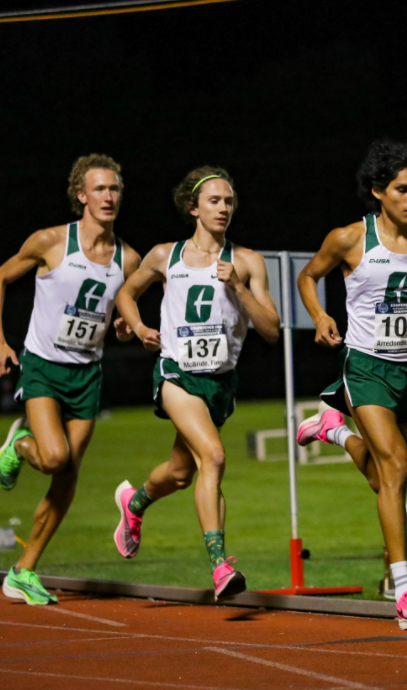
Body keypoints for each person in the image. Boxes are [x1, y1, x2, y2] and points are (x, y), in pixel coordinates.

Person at [294, 139, 407, 631]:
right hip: (364, 365)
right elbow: (308, 276)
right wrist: (321, 314)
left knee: (385, 479)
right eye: (402, 190)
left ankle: (334, 431)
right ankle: (406, 590)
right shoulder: (349, 238)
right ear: (378, 192)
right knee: (397, 466)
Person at [111, 167, 279, 599]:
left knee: (183, 473)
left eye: (228, 201)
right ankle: (220, 565)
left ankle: (134, 502)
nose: (224, 208)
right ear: (193, 208)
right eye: (214, 201)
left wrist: (239, 289)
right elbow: (125, 294)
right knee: (215, 457)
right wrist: (140, 327)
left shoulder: (247, 261)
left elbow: (272, 330)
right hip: (176, 374)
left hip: (220, 383)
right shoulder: (164, 255)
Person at [0, 155, 141, 606]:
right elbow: (0, 276)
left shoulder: (129, 258)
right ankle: (19, 445)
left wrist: (123, 326)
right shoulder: (51, 242)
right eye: (100, 189)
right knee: (54, 457)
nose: (109, 197)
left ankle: (23, 572)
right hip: (43, 365)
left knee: (67, 478)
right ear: (82, 195)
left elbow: (121, 314)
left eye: (115, 189)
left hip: (87, 374)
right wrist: (0, 343)